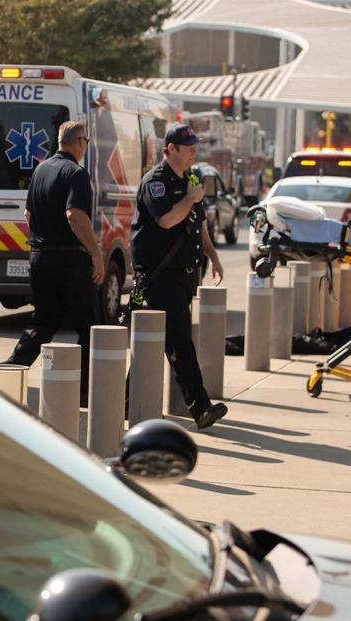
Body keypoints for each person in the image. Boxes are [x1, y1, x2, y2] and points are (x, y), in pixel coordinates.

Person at [131, 123, 227, 429]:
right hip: (159, 277)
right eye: (188, 149)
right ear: (170, 149)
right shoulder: (156, 182)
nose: (193, 153)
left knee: (155, 341)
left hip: (184, 276)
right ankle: (200, 407)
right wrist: (190, 199)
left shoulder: (190, 179)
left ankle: (125, 399)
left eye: (196, 148)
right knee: (180, 343)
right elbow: (167, 220)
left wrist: (213, 256)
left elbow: (199, 223)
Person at [5, 119, 103, 405]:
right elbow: (75, 215)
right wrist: (95, 254)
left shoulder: (41, 169)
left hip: (40, 256)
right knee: (90, 327)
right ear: (80, 142)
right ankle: (84, 393)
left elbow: (28, 215)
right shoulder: (76, 173)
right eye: (86, 142)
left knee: (43, 322)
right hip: (69, 260)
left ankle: (8, 373)